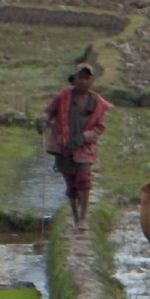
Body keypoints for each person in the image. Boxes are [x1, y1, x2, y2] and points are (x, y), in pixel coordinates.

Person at [36, 61, 111, 232]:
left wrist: (85, 137)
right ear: (74, 80)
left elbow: (100, 127)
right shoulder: (63, 98)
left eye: (87, 78)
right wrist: (43, 121)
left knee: (84, 180)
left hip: (84, 148)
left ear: (91, 81)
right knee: (71, 186)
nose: (83, 81)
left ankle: (83, 218)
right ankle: (76, 216)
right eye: (80, 78)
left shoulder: (96, 103)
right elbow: (48, 112)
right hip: (64, 147)